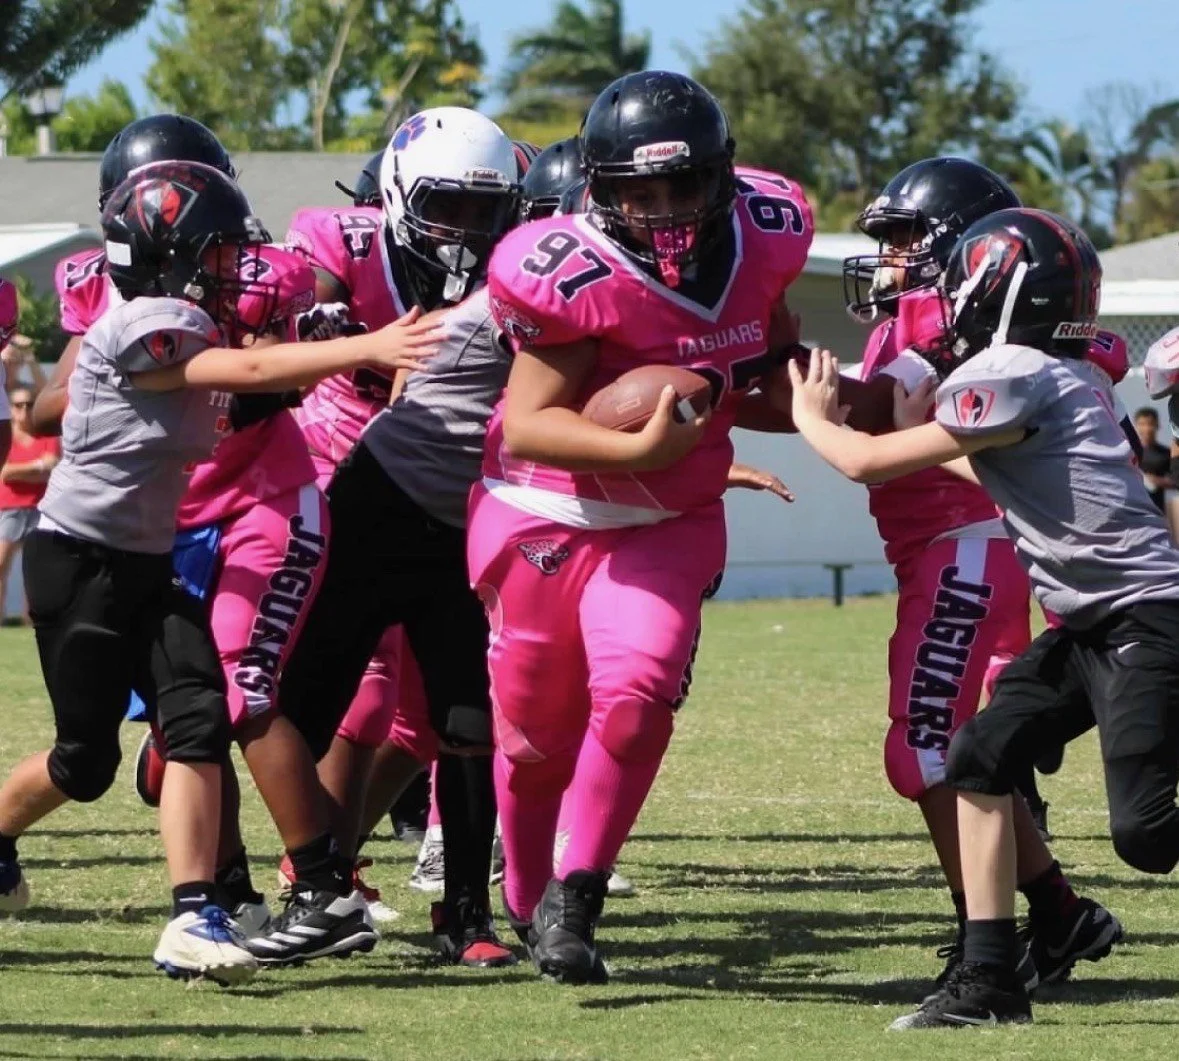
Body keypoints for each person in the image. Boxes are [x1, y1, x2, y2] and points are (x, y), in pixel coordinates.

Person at [789, 206, 1176, 1030]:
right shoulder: (1053, 375)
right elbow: (982, 470)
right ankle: (990, 979)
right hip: (1089, 626)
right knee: (976, 753)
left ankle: (1007, 958)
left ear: (992, 287)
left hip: (1145, 621)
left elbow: (862, 460)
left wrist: (808, 417)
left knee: (1144, 835)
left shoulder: (1011, 370)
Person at [474, 70, 814, 983]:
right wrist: (639, 449)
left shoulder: (766, 235)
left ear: (723, 175)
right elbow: (529, 421)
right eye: (637, 191)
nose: (662, 210)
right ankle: (527, 889)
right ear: (600, 187)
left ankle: (576, 896)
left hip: (668, 518)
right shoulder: (569, 270)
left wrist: (827, 404)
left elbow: (761, 372)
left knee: (636, 690)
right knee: (534, 738)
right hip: (548, 510)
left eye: (682, 186)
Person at [838, 158, 1120, 990]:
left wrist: (750, 370)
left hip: (966, 544)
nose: (886, 260)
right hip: (942, 548)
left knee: (926, 752)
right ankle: (1058, 913)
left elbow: (867, 418)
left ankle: (994, 938)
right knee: (949, 749)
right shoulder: (909, 319)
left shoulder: (953, 323)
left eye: (900, 241)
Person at [271, 106, 522, 968]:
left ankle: (463, 911)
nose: (466, 229)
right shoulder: (341, 239)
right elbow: (297, 297)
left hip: (466, 513)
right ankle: (270, 881)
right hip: (363, 487)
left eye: (484, 210)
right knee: (307, 701)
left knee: (462, 717)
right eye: (447, 205)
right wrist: (322, 325)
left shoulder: (530, 270)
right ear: (400, 192)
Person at [0, 384, 59, 624]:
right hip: (9, 508)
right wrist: (38, 466)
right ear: (10, 409)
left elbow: (52, 467)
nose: (24, 410)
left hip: (39, 508)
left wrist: (22, 471)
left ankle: (30, 622)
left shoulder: (46, 435)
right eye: (18, 405)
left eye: (29, 404)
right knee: (1, 565)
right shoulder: (6, 438)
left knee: (35, 572)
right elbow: (5, 473)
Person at [1133, 406, 1172, 512]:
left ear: (1157, 425)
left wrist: (1157, 481)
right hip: (1133, 508)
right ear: (1136, 426)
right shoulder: (1129, 451)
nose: (1146, 429)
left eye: (1150, 424)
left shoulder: (1166, 454)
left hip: (1157, 509)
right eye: (1142, 424)